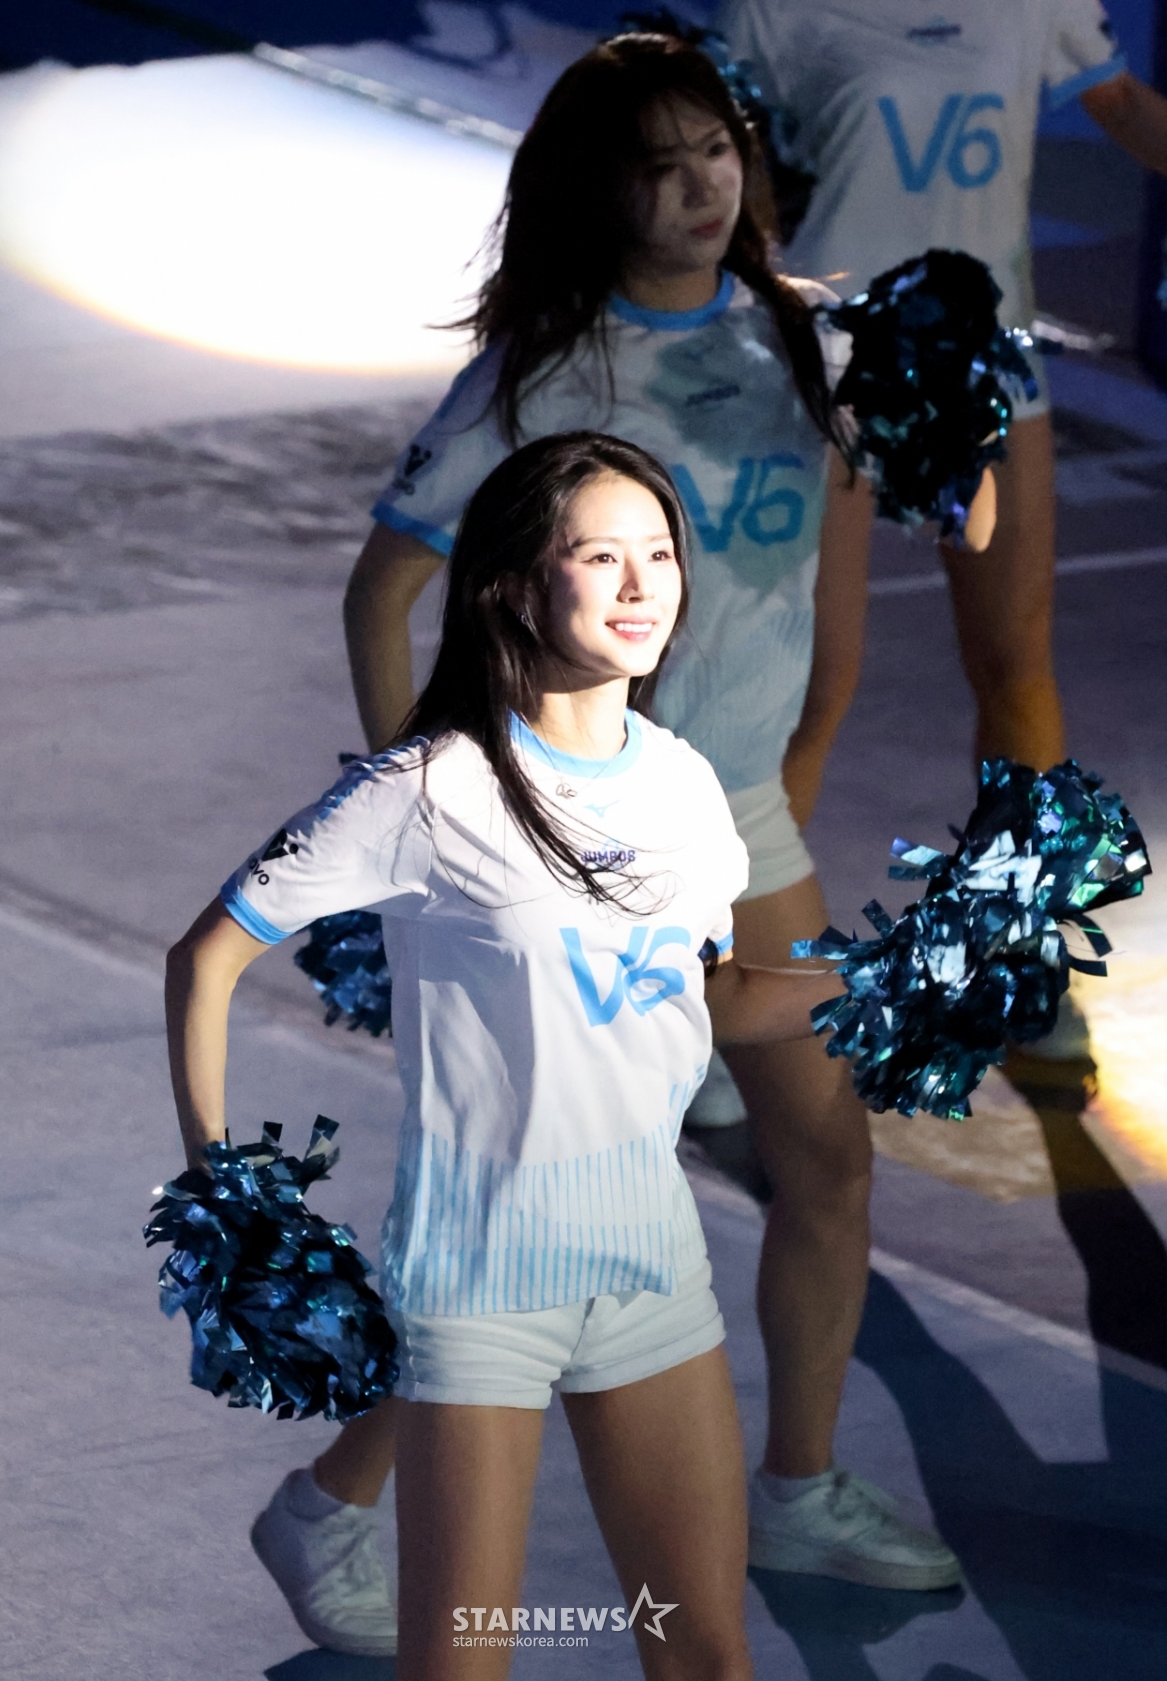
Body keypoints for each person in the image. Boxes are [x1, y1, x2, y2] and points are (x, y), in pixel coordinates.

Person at [330, 26, 963, 1643]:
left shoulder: (810, 343)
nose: (697, 190)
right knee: (544, 1227)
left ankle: (799, 1486)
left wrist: (802, 763)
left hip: (739, 818)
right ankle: (331, 1507)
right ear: (594, 190)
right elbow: (383, 592)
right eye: (658, 165)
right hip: (573, 831)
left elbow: (840, 566)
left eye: (716, 155)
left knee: (825, 1156)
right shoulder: (543, 375)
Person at [165, 432, 854, 1680]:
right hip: (480, 1283)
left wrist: (884, 977)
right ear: (515, 585)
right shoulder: (431, 788)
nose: (643, 586)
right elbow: (206, 956)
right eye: (601, 556)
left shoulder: (686, 786)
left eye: (660, 554)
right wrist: (222, 1190)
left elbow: (711, 996)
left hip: (652, 1268)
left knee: (704, 1652)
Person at [716, 0, 1167, 1053]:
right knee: (812, 687)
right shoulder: (773, 8)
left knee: (1016, 665)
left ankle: (1019, 948)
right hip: (826, 369)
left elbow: (1127, 110)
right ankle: (729, 979)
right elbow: (726, 169)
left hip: (986, 366)